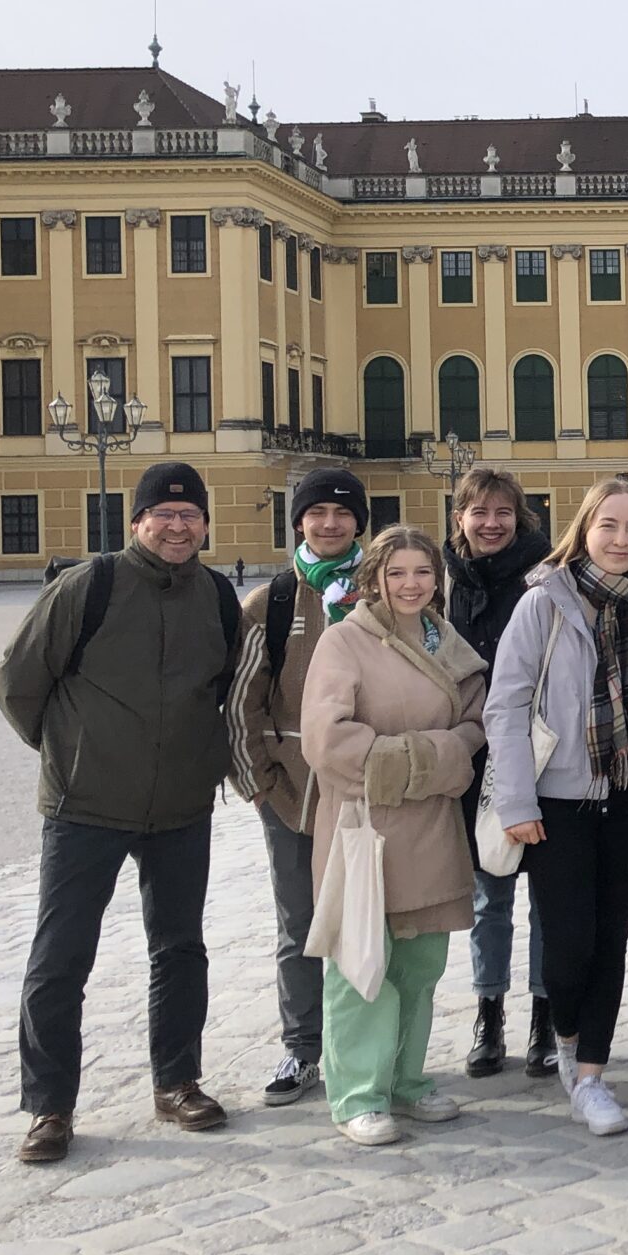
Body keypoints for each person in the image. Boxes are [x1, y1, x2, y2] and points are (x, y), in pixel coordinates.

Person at [0, 460, 238, 1165]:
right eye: (162, 514)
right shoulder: (90, 585)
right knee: (61, 956)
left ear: (203, 524)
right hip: (87, 804)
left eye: (189, 514)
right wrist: (67, 751)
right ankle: (49, 1106)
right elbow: (18, 682)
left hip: (181, 806)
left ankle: (177, 1081)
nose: (176, 525)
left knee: (180, 947)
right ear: (137, 522)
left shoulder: (217, 596)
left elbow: (221, 689)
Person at [485, 480, 628, 1136]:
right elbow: (507, 704)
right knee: (569, 945)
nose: (622, 540)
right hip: (560, 800)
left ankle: (590, 1076)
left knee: (611, 940)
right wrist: (516, 800)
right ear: (585, 529)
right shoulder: (544, 601)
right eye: (610, 526)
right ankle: (570, 1037)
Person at [301, 525, 489, 1146]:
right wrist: (428, 761)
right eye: (399, 573)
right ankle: (358, 1092)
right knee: (362, 964)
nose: (413, 585)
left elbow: (474, 720)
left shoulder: (447, 640)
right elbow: (328, 742)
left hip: (431, 827)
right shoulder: (344, 642)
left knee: (420, 963)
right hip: (366, 829)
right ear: (375, 578)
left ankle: (406, 1081)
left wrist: (439, 755)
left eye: (424, 573)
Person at [227, 465, 370, 1108]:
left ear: (358, 522)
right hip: (293, 794)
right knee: (299, 924)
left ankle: (367, 1047)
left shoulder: (383, 588)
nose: (331, 523)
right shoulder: (273, 600)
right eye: (317, 513)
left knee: (371, 920)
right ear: (300, 522)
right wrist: (259, 784)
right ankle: (303, 1047)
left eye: (342, 514)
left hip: (372, 788)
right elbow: (241, 702)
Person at [442, 467, 555, 1081]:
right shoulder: (440, 582)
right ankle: (489, 1015)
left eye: (503, 513)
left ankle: (544, 1015)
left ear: (521, 518)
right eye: (479, 512)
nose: (491, 523)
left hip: (540, 756)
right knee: (490, 897)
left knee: (544, 898)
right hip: (472, 759)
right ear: (459, 517)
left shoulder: (548, 576)